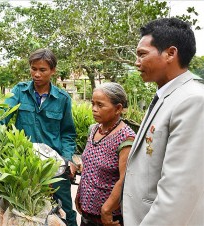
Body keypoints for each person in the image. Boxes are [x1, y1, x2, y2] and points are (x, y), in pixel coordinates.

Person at [122, 18, 204, 225]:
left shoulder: (192, 100)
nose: (136, 62)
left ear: (170, 53)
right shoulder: (168, 94)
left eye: (142, 54)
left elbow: (179, 191)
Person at [0, 48, 78, 226]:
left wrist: (68, 159)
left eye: (42, 70)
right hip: (24, 164)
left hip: (54, 166)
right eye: (33, 69)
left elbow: (67, 132)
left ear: (53, 71)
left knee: (65, 211)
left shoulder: (62, 98)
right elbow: (2, 113)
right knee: (23, 212)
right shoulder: (20, 91)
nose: (36, 74)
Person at [75, 83, 136, 226]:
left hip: (108, 218)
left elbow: (125, 179)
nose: (94, 109)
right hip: (87, 213)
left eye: (100, 105)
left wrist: (106, 210)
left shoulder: (126, 138)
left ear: (118, 108)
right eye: (93, 104)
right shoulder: (94, 129)